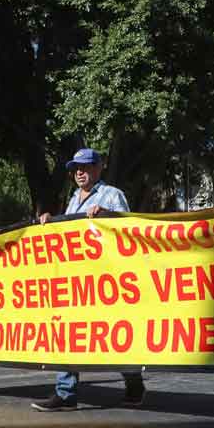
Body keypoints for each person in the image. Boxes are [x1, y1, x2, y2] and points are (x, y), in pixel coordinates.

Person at [30, 147, 145, 412]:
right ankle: (66, 393)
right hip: (77, 283)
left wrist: (106, 214)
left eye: (86, 167)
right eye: (75, 169)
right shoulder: (73, 201)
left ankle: (134, 382)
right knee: (69, 334)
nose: (80, 172)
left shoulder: (112, 195)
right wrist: (52, 221)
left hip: (105, 281)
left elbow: (127, 230)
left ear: (98, 168)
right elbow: (67, 235)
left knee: (114, 336)